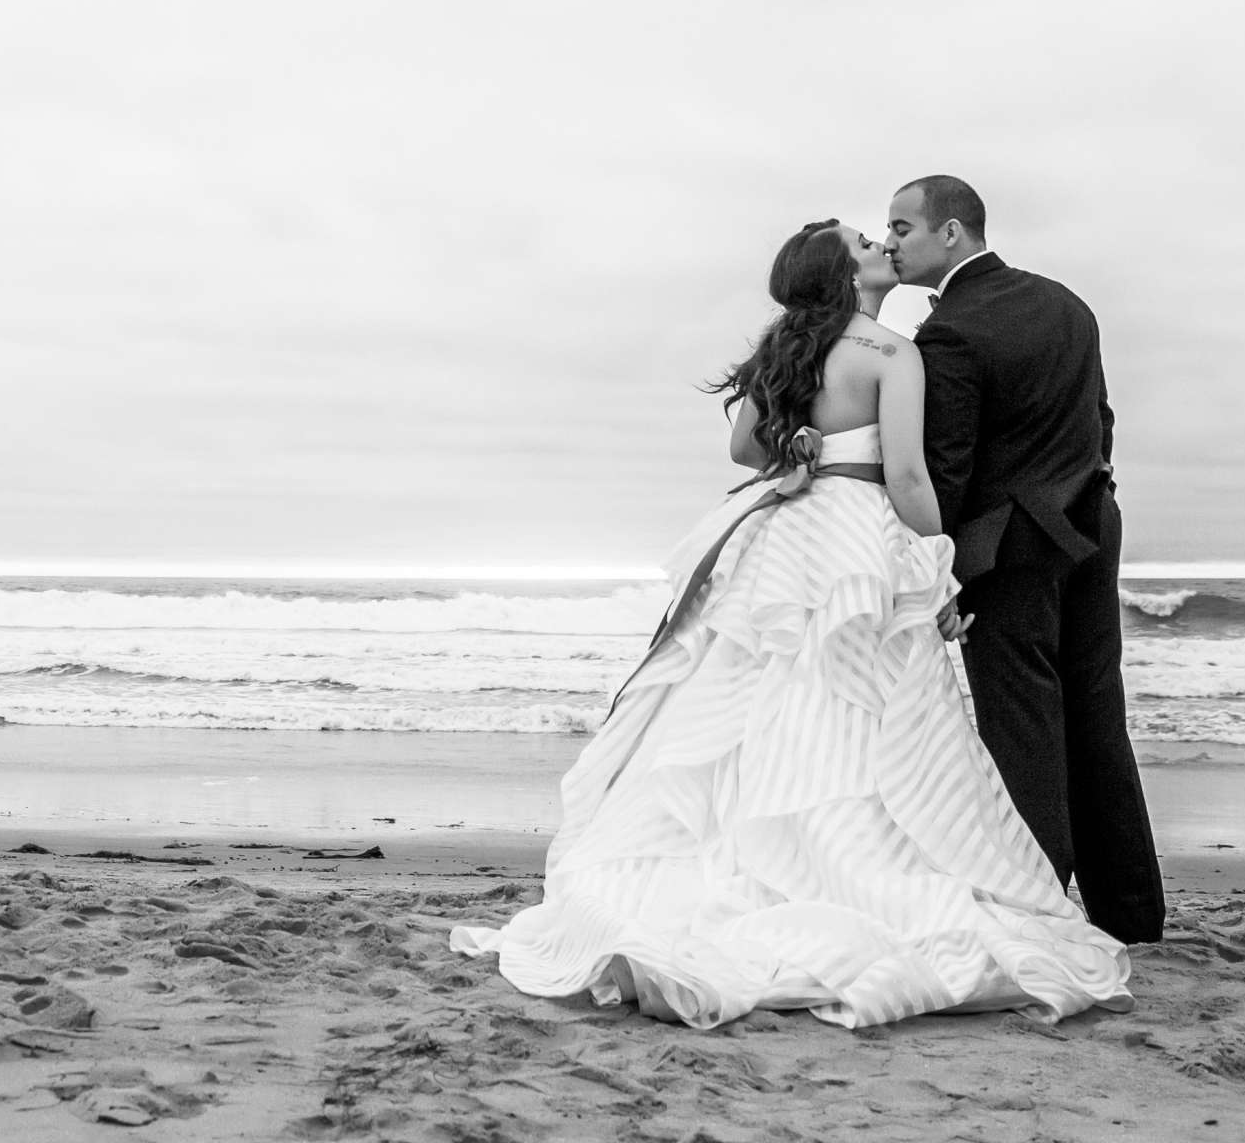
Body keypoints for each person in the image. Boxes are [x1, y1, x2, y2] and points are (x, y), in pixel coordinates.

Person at [450, 220, 1133, 1029]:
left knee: (762, 699)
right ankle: (834, 860)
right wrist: (940, 565)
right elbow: (911, 477)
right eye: (864, 242)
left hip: (788, 528)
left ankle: (760, 850)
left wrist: (798, 448)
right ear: (845, 274)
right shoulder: (889, 353)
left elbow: (746, 449)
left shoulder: (785, 347)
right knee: (860, 706)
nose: (881, 244)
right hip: (857, 532)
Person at [883, 175, 1165, 945]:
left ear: (951, 233)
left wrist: (938, 576)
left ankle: (1038, 905)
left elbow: (948, 470)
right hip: (1092, 530)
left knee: (1024, 729)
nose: (892, 243)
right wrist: (1086, 495)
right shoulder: (1068, 304)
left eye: (902, 227)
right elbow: (1100, 421)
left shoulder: (950, 334)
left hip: (1011, 551)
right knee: (1098, 713)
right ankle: (1131, 911)